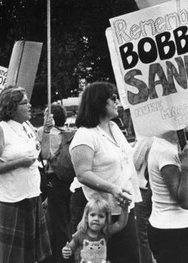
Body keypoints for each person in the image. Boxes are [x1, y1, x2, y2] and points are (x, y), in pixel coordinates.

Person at [69, 82, 141, 263]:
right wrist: (113, 189)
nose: (117, 102)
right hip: (98, 211)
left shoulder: (114, 128)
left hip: (122, 206)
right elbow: (83, 173)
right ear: (99, 102)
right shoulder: (85, 135)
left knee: (129, 257)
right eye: (113, 98)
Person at [0, 86, 51, 263]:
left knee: (30, 254)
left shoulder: (27, 127)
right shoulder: (0, 129)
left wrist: (47, 130)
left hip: (31, 196)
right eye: (24, 102)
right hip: (10, 199)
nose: (29, 105)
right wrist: (19, 163)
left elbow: (44, 154)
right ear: (11, 107)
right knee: (11, 257)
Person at [147, 131, 188, 263]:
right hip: (171, 230)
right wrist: (186, 167)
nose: (186, 128)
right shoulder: (165, 152)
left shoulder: (168, 146)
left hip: (174, 227)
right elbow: (185, 202)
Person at [39, 104, 73, 263]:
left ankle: (62, 257)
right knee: (65, 218)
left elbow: (44, 154)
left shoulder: (44, 133)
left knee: (57, 222)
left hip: (53, 180)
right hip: (69, 180)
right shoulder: (70, 133)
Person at [62, 198, 129, 263]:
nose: (96, 219)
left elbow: (120, 224)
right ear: (86, 217)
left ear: (106, 220)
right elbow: (70, 249)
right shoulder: (80, 234)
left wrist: (125, 209)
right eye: (92, 215)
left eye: (101, 216)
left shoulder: (105, 232)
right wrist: (66, 251)